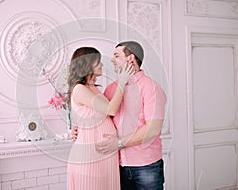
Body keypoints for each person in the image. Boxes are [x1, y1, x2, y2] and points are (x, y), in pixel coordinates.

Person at [74, 41, 167, 189]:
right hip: (116, 164)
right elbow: (102, 118)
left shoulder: (151, 88)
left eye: (116, 55)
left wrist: (118, 143)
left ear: (130, 59)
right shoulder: (111, 89)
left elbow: (153, 129)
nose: (111, 60)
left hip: (145, 165)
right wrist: (81, 128)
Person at [66, 47, 134, 190]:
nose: (102, 65)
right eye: (98, 62)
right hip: (90, 154)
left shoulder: (93, 88)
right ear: (87, 64)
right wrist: (121, 82)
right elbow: (111, 109)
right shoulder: (80, 89)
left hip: (104, 153)